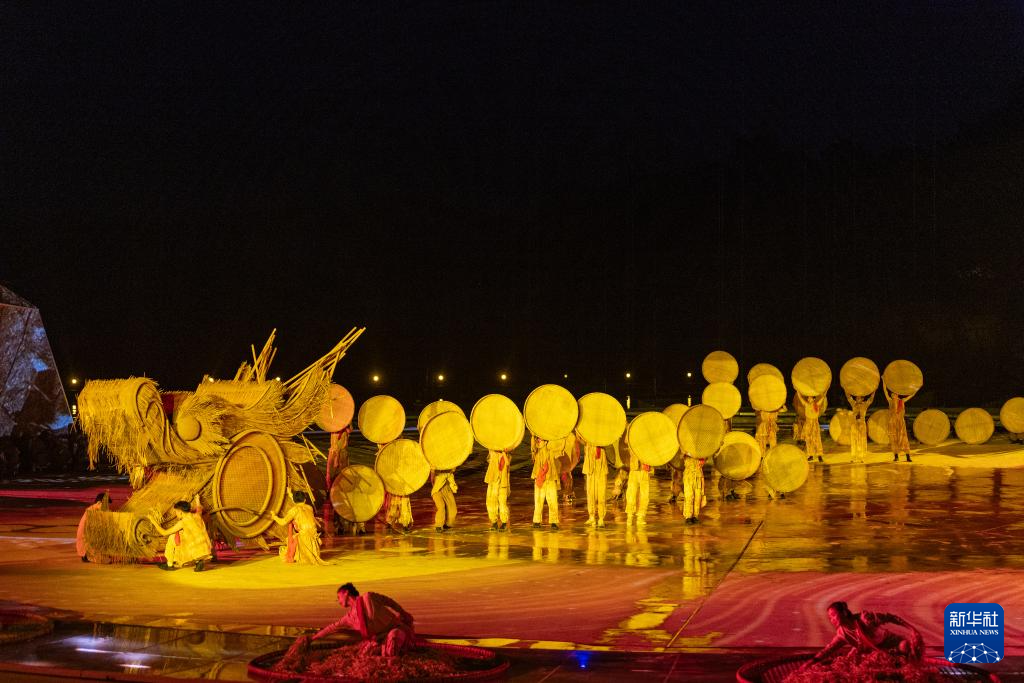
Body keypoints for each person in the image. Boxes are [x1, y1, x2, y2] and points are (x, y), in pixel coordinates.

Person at [804, 601, 924, 668]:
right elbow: (828, 650)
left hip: (891, 644)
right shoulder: (842, 634)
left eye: (834, 615)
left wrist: (912, 629)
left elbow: (892, 618)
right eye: (830, 617)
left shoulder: (865, 619)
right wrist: (811, 662)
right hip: (874, 653)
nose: (832, 620)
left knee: (905, 647)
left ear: (844, 613)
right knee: (849, 663)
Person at [311, 583, 416, 657]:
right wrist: (312, 638)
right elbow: (332, 627)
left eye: (339, 597)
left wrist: (403, 613)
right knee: (364, 656)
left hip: (396, 630)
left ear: (346, 593)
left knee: (393, 639)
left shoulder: (368, 597)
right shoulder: (349, 618)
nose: (338, 601)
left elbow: (389, 602)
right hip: (379, 639)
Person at [148, 499, 213, 572]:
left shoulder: (182, 522)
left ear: (180, 512)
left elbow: (164, 533)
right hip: (205, 548)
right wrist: (197, 500)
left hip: (193, 549)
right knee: (182, 533)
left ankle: (169, 565)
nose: (176, 514)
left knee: (172, 537)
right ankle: (199, 561)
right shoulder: (197, 515)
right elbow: (199, 509)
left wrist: (153, 521)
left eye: (176, 512)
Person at [271, 490, 327, 565]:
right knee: (297, 533)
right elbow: (299, 505)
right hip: (313, 536)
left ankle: (292, 556)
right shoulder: (309, 507)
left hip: (304, 537)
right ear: (305, 500)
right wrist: (290, 494)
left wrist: (274, 517)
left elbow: (283, 522)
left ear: (294, 500)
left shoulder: (294, 510)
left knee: (292, 537)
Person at [531, 436, 561, 530]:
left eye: (540, 439)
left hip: (550, 477)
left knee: (552, 500)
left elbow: (559, 447)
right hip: (539, 477)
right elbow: (533, 445)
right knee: (538, 500)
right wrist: (533, 435)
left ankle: (554, 522)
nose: (538, 440)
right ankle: (537, 521)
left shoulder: (551, 450)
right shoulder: (536, 450)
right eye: (537, 439)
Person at [883, 379, 916, 462]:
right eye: (891, 394)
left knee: (903, 438)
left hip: (900, 422)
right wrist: (884, 381)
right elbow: (885, 392)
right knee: (894, 439)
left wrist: (915, 390)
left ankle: (908, 456)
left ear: (897, 395)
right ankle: (896, 456)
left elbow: (910, 396)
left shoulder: (902, 401)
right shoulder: (890, 401)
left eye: (893, 393)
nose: (892, 395)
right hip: (893, 422)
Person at [580, 436, 609, 527]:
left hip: (601, 469)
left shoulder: (603, 440)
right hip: (591, 469)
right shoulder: (588, 440)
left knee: (601, 495)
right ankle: (592, 516)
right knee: (591, 494)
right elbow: (581, 440)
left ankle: (601, 518)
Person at [623, 437, 651, 527]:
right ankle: (630, 516)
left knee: (644, 495)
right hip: (634, 469)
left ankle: (641, 517)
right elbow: (626, 440)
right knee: (631, 494)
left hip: (644, 469)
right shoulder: (631, 431)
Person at [76, 491, 110, 562]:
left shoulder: (92, 510)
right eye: (106, 505)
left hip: (85, 547)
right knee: (108, 560)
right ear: (99, 503)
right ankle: (89, 555)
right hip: (86, 549)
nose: (107, 508)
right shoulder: (92, 513)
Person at [794, 392, 827, 463]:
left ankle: (819, 455)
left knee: (817, 439)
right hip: (808, 423)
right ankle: (810, 455)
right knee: (808, 439)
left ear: (813, 399)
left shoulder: (817, 404)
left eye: (810, 398)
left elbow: (822, 397)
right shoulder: (806, 404)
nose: (808, 399)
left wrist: (825, 392)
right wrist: (798, 391)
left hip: (815, 423)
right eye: (808, 398)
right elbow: (800, 398)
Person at [484, 448, 511, 531]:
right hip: (493, 481)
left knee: (502, 503)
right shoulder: (493, 454)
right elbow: (489, 448)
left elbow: (507, 463)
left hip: (502, 482)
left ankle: (504, 523)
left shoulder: (507, 455)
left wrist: (503, 453)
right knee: (491, 502)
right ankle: (494, 522)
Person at [846, 392, 875, 464]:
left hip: (862, 424)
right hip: (854, 424)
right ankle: (854, 457)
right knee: (854, 440)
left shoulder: (865, 405)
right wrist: (845, 389)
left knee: (862, 440)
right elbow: (849, 397)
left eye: (859, 397)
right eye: (856, 397)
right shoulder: (854, 404)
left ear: (862, 399)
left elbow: (870, 400)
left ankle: (862, 457)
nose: (857, 398)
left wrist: (874, 391)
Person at [429, 468, 457, 532]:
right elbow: (432, 480)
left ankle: (448, 524)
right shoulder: (435, 467)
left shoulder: (450, 469)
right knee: (441, 506)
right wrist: (436, 486)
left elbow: (453, 469)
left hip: (447, 490)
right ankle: (438, 526)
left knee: (453, 509)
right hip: (437, 490)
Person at [681, 455, 706, 524]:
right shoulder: (685, 449)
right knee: (689, 496)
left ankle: (695, 516)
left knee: (698, 496)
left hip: (698, 474)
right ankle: (688, 516)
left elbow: (705, 455)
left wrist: (704, 459)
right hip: (689, 474)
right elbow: (681, 456)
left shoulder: (700, 450)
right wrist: (688, 453)